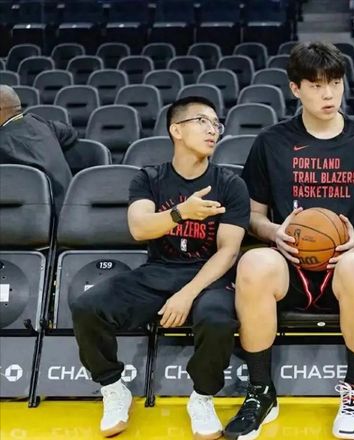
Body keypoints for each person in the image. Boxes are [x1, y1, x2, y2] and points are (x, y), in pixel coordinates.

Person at [223, 41, 354, 440]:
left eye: (335, 83)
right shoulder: (271, 141)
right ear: (295, 88)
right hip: (290, 265)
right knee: (253, 263)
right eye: (316, 85)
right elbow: (253, 215)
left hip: (346, 265)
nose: (328, 94)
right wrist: (274, 233)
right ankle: (261, 392)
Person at [70, 96, 250, 439]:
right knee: (87, 306)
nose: (213, 130)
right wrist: (181, 213)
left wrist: (187, 294)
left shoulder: (231, 184)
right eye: (202, 121)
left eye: (216, 124)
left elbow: (228, 252)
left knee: (216, 318)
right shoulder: (149, 178)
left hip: (208, 277)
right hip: (157, 271)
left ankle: (202, 396)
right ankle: (113, 387)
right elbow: (139, 228)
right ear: (176, 130)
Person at [0, 85, 76, 212]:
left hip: (34, 216)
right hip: (71, 209)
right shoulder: (38, 122)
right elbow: (70, 132)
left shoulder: (3, 142)